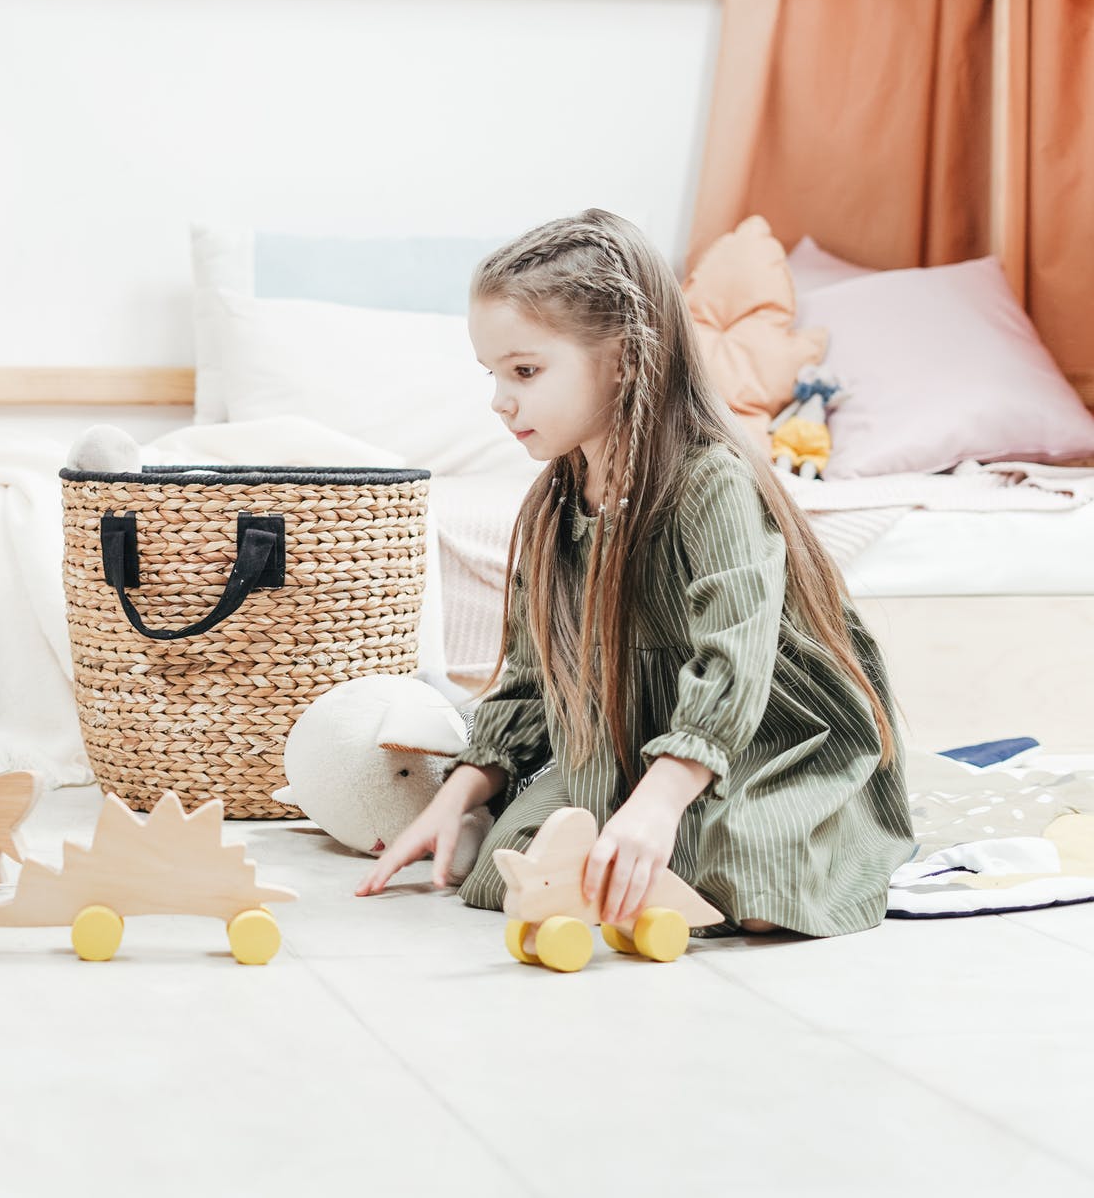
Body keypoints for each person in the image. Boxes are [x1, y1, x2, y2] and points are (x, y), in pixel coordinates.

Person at [358, 209, 912, 938]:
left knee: (745, 880)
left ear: (622, 357)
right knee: (507, 876)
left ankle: (713, 816)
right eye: (493, 374)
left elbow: (734, 660)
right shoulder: (552, 505)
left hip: (759, 733)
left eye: (524, 370)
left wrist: (659, 800)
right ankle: (630, 816)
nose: (500, 399)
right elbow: (531, 677)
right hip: (619, 734)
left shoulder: (711, 479)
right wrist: (457, 795)